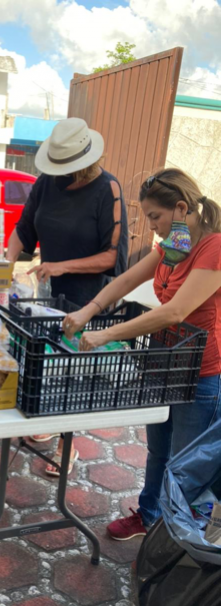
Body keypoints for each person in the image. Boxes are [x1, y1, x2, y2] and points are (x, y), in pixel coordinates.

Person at [62, 168, 221, 540]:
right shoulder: (174, 246)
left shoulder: (214, 247)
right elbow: (128, 279)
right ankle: (149, 515)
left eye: (155, 217)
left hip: (201, 375)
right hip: (164, 365)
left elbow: (174, 311)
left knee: (187, 468)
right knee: (158, 452)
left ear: (181, 207)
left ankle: (174, 545)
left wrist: (108, 334)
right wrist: (88, 311)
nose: (153, 227)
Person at [6, 117, 128, 476]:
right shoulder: (47, 182)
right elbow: (24, 229)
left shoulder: (108, 190)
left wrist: (62, 266)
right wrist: (4, 263)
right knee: (45, 363)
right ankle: (46, 420)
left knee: (74, 375)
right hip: (46, 293)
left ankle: (66, 446)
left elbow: (113, 257)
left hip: (87, 298)